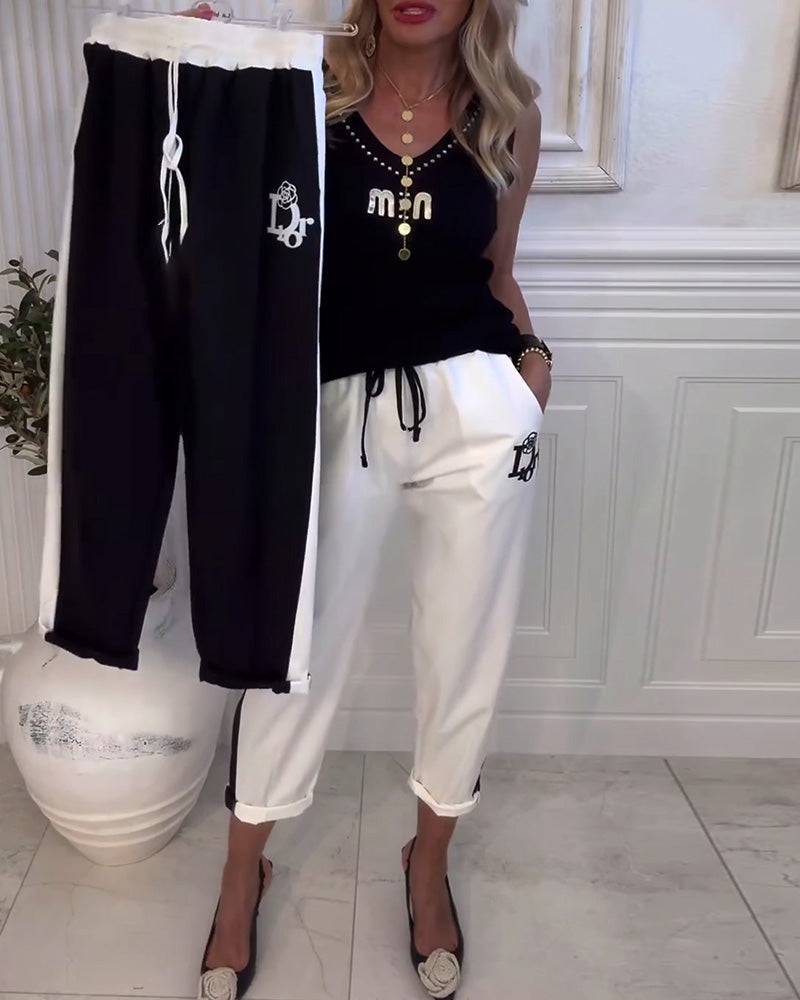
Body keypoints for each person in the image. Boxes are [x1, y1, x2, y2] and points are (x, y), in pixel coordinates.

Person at [186, 0, 550, 996]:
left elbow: (498, 270)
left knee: (464, 649)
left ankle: (426, 866)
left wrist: (531, 365)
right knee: (294, 651)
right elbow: (225, 217)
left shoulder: (506, 112)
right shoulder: (311, 89)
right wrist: (200, 60)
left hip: (477, 409)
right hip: (337, 407)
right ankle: (241, 872)